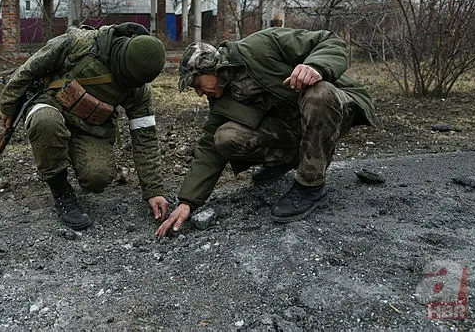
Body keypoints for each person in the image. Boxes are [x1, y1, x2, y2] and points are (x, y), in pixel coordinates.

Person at [156, 27, 376, 238]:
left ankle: (310, 186)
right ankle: (294, 158)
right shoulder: (221, 97)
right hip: (295, 125)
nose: (198, 93)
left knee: (319, 93)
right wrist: (188, 202)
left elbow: (330, 40)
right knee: (225, 137)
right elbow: (209, 148)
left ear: (212, 69)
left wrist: (316, 66)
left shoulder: (260, 46)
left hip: (336, 105)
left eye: (197, 84)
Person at [0, 22, 169, 230]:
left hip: (90, 127)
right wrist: (8, 105)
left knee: (98, 179)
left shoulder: (139, 89)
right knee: (45, 122)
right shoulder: (81, 44)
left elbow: (145, 137)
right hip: (50, 106)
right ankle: (61, 190)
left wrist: (154, 190)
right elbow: (30, 68)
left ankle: (66, 148)